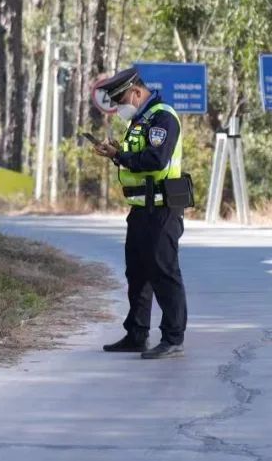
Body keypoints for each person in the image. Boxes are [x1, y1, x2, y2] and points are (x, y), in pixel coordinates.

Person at [92, 67, 188, 359]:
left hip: (162, 210)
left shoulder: (163, 117)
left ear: (136, 92)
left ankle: (172, 337)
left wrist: (120, 155)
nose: (120, 107)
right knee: (137, 273)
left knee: (163, 272)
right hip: (139, 209)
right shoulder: (139, 120)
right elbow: (136, 158)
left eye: (121, 100)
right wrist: (117, 152)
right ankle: (136, 334)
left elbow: (157, 160)